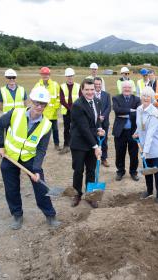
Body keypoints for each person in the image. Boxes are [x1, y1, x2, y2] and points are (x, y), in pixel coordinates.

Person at [0, 87, 60, 230]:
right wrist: (0, 145)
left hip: (29, 159)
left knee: (41, 186)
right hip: (10, 157)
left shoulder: (46, 125)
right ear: (31, 101)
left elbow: (41, 150)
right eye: (37, 102)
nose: (39, 106)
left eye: (43, 104)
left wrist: (36, 169)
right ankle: (17, 214)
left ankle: (50, 215)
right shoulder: (16, 113)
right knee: (11, 188)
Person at [69, 78, 104, 208]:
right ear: (82, 90)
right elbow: (84, 128)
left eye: (92, 89)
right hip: (79, 143)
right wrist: (95, 146)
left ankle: (90, 195)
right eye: (87, 90)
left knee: (91, 169)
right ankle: (77, 194)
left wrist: (99, 128)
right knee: (78, 170)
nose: (90, 92)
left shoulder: (97, 102)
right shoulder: (78, 105)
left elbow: (95, 121)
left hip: (91, 141)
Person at [133, 86, 158, 203]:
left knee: (156, 171)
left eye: (148, 96)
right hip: (144, 146)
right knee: (147, 170)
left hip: (156, 146)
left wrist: (145, 151)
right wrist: (136, 133)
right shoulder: (139, 109)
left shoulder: (154, 113)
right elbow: (140, 124)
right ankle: (149, 191)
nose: (146, 98)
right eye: (144, 95)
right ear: (141, 96)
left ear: (152, 98)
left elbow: (151, 133)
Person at [112, 80, 140, 181]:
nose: (127, 89)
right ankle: (120, 171)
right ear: (122, 88)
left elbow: (138, 113)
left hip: (133, 132)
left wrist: (123, 112)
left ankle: (133, 172)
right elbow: (116, 110)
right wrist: (130, 110)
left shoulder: (137, 99)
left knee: (133, 153)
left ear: (132, 89)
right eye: (125, 87)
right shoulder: (116, 98)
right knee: (119, 152)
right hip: (120, 131)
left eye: (129, 87)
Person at [34, 67, 61, 150]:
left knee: (55, 130)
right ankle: (39, 144)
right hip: (42, 112)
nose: (45, 76)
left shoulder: (55, 84)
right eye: (43, 74)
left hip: (52, 113)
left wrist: (55, 107)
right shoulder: (38, 85)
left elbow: (59, 97)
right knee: (40, 129)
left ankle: (57, 145)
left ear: (49, 75)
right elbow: (34, 97)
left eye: (47, 74)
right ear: (41, 75)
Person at [59, 67, 80, 154]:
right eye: (68, 76)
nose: (70, 78)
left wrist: (74, 109)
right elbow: (62, 100)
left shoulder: (78, 86)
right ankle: (66, 145)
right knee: (66, 129)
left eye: (71, 76)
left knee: (76, 128)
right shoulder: (62, 86)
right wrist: (70, 108)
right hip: (67, 112)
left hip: (76, 112)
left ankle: (76, 144)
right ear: (66, 77)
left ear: (73, 76)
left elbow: (81, 98)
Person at [94, 77, 111, 167]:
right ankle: (93, 158)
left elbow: (109, 107)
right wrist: (97, 117)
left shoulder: (106, 95)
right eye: (96, 84)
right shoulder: (91, 95)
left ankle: (104, 158)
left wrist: (103, 116)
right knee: (93, 139)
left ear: (101, 84)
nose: (97, 86)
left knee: (104, 141)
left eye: (99, 84)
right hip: (94, 122)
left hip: (104, 122)